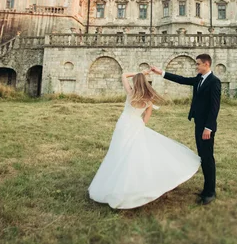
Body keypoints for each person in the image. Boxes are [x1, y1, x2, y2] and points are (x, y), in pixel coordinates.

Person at [88, 69, 200, 209]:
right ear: (146, 84)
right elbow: (145, 120)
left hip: (124, 125)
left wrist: (140, 73)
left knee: (118, 152)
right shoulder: (148, 102)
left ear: (135, 83)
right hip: (136, 125)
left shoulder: (130, 94)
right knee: (135, 153)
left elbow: (123, 75)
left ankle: (117, 183)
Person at [150, 53, 221, 206]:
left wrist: (208, 128)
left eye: (198, 64)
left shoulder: (215, 82)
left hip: (206, 128)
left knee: (208, 158)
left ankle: (210, 192)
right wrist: (160, 72)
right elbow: (181, 80)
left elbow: (215, 108)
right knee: (203, 156)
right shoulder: (199, 79)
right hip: (198, 124)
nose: (196, 66)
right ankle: (206, 188)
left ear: (206, 65)